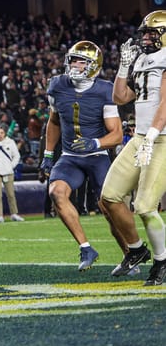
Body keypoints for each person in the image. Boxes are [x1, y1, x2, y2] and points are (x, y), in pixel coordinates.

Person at [40, 40, 127, 271]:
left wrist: (95, 142)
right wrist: (48, 153)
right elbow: (54, 121)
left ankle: (130, 254)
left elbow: (117, 134)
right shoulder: (57, 85)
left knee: (109, 208)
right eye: (73, 61)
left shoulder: (104, 90)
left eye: (81, 62)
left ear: (94, 65)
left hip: (97, 155)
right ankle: (86, 248)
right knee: (56, 192)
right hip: (70, 156)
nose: (75, 66)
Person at [100, 10, 166, 286]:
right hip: (140, 137)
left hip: (161, 139)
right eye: (145, 33)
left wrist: (151, 136)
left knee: (145, 206)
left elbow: (165, 105)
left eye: (152, 32)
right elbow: (121, 97)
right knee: (109, 197)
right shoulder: (142, 58)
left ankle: (162, 261)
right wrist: (123, 67)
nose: (146, 37)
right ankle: (137, 250)